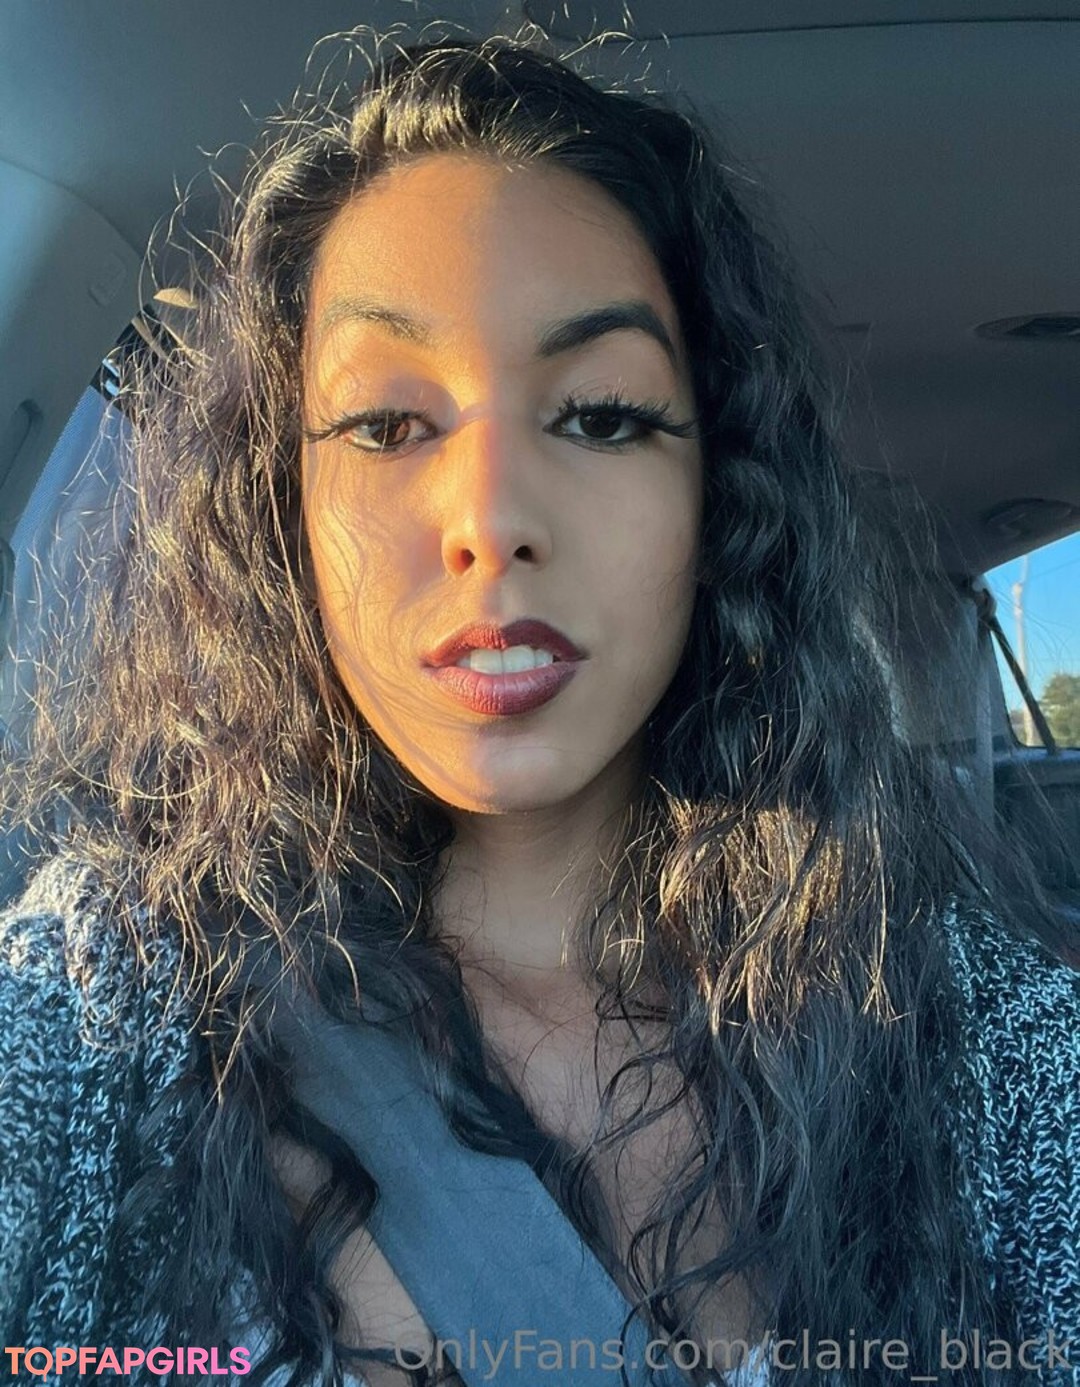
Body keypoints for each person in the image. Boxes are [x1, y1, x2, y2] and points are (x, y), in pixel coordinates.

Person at [1, 28, 1078, 1387]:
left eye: (603, 415)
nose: (492, 517)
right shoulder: (114, 1000)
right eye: (387, 426)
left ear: (719, 498)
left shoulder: (965, 1039)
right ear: (285, 511)